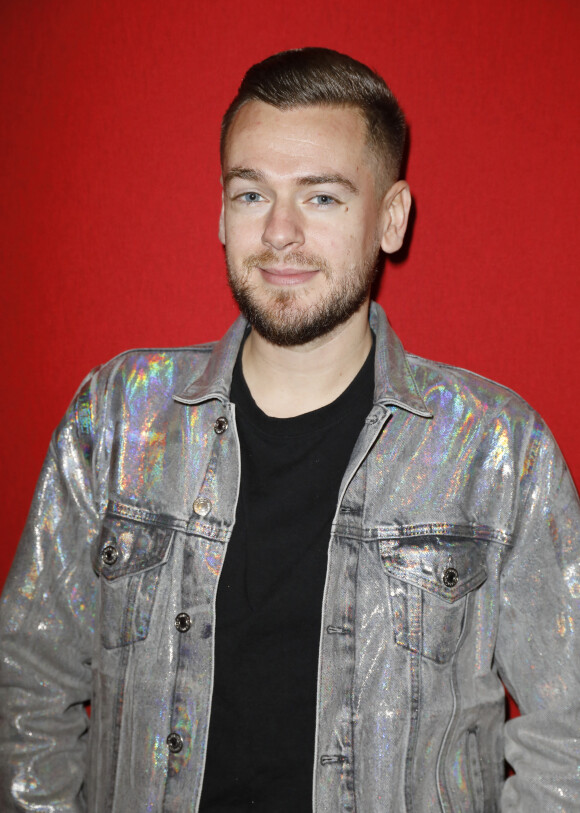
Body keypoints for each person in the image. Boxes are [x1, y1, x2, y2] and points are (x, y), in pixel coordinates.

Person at [0, 47, 578, 813]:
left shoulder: (496, 449)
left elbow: (565, 737)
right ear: (221, 210)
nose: (278, 233)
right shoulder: (116, 417)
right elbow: (27, 689)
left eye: (323, 198)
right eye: (250, 194)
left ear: (391, 217)